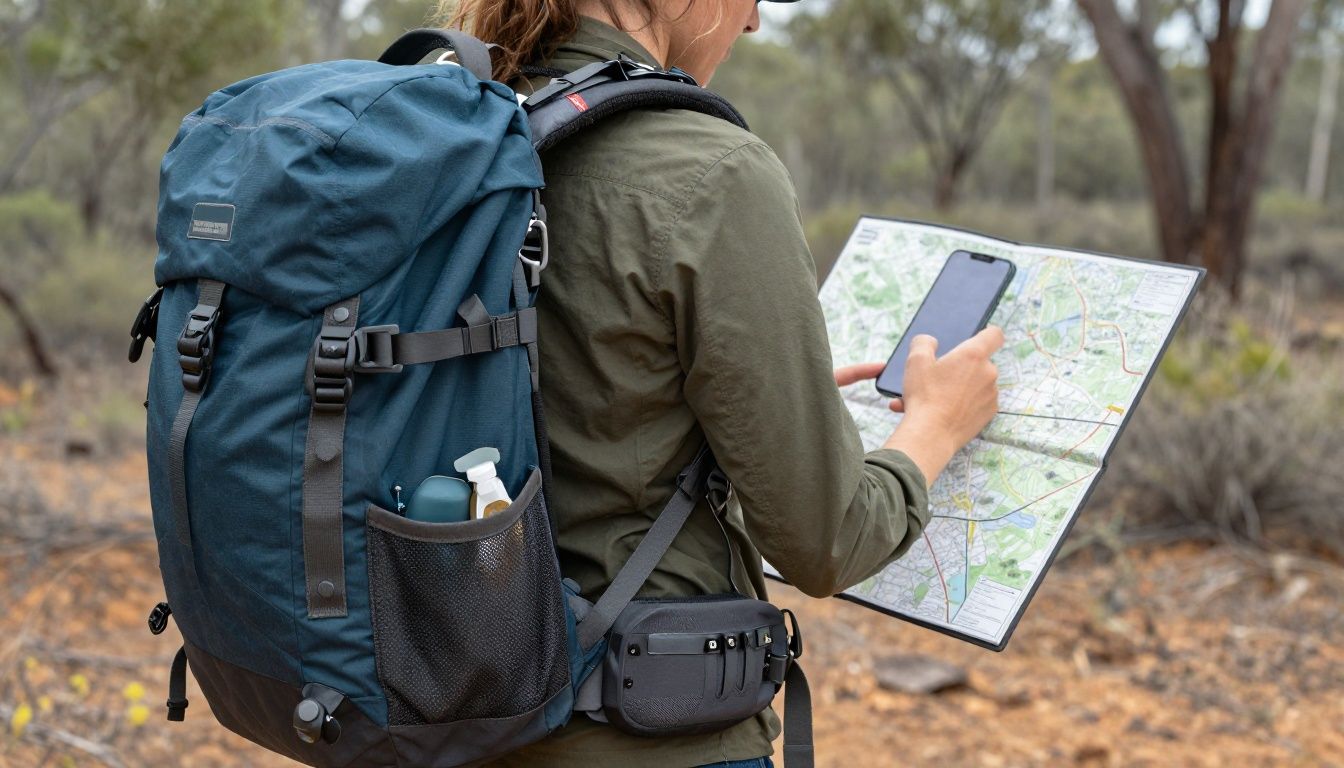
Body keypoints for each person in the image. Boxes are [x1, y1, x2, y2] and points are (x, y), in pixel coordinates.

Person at [440, 1, 1004, 766]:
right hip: (646, 732)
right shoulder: (706, 167)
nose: (755, 23)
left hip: (442, 712)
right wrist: (936, 424)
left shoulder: (451, 130)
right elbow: (828, 539)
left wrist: (714, 417)